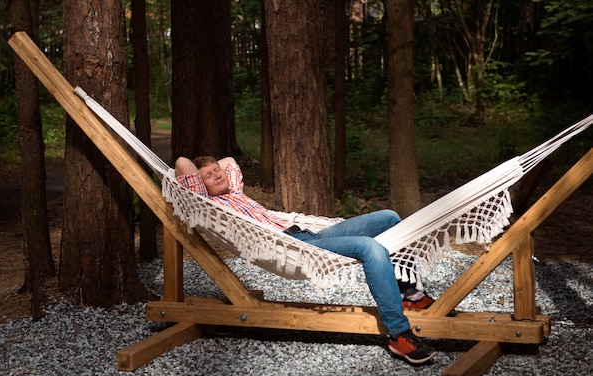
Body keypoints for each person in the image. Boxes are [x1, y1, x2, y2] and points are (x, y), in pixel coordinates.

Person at [175, 155, 437, 364]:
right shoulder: (211, 206)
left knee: (390, 217)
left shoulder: (235, 191)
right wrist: (202, 177)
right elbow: (182, 164)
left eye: (216, 171)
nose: (217, 174)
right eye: (207, 175)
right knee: (370, 248)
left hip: (307, 233)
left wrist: (213, 170)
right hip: (290, 246)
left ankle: (411, 294)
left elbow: (229, 160)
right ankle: (398, 334)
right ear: (200, 186)